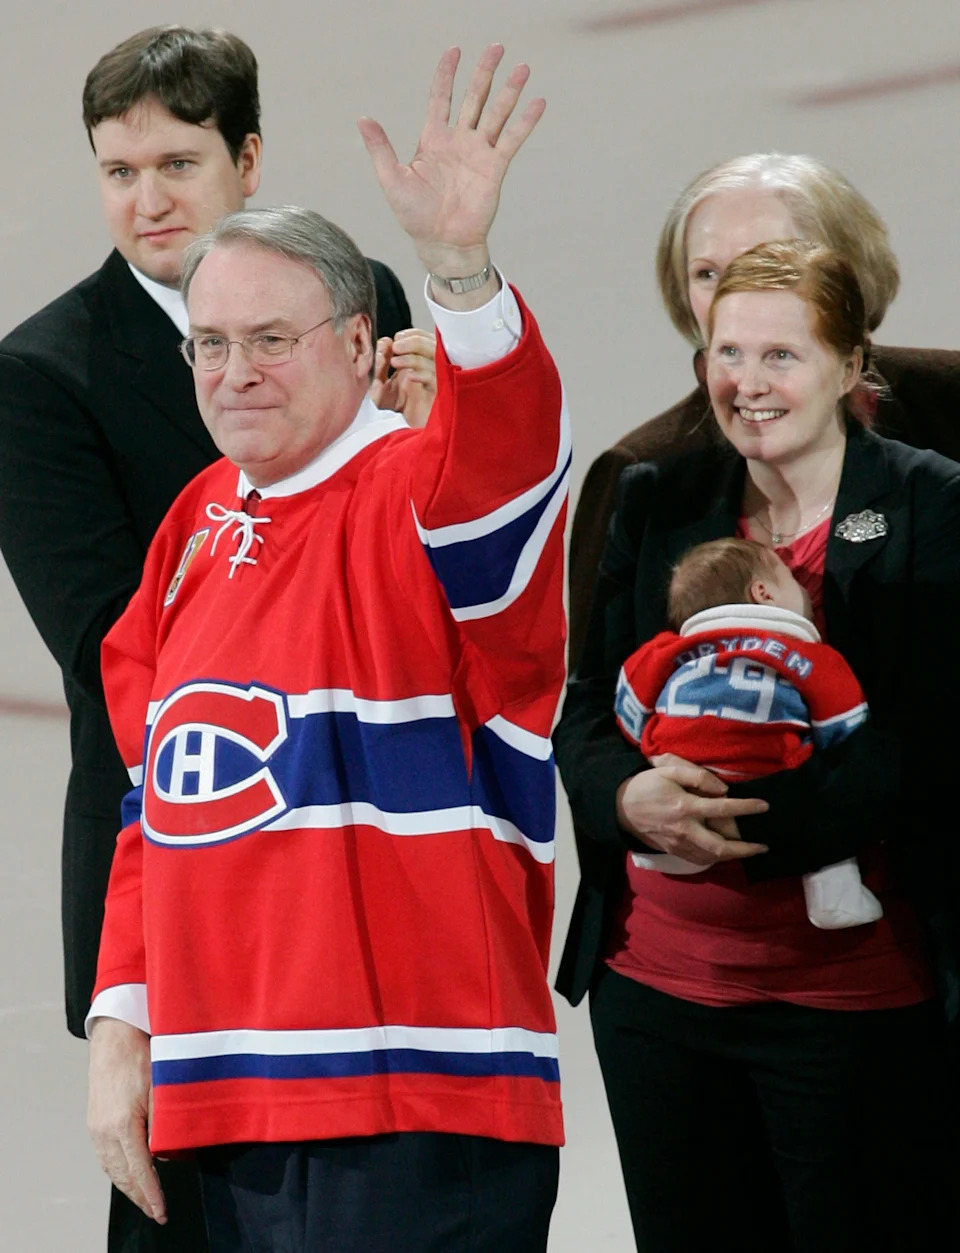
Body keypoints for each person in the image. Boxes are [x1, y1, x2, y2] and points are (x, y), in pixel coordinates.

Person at [86, 44, 566, 1253]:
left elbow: (503, 470)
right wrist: (121, 1033)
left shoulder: (415, 489)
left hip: (409, 1098)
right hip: (224, 1090)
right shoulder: (196, 524)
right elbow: (158, 804)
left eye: (272, 339)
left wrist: (459, 278)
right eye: (209, 343)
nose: (235, 373)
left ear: (361, 344)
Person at [0, 26, 416, 1249]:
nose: (148, 200)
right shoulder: (41, 373)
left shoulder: (362, 299)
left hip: (357, 842)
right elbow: (104, 644)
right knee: (187, 1216)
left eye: (177, 163)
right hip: (175, 848)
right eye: (119, 171)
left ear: (247, 158)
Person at [554, 239, 960, 1252]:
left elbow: (928, 743)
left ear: (849, 361)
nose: (747, 382)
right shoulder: (655, 494)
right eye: (726, 352)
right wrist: (628, 801)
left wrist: (730, 824)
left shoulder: (932, 503)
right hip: (656, 995)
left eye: (780, 355)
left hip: (852, 1002)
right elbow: (587, 709)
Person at [566, 153, 960, 668]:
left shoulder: (948, 407)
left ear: (845, 273)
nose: (740, 291)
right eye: (707, 273)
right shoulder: (642, 470)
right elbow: (592, 701)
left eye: (768, 260)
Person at [615, 536, 881, 930]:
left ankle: (667, 855)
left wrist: (647, 754)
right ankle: (832, 891)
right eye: (792, 582)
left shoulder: (666, 650)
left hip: (683, 772)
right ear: (764, 594)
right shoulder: (809, 655)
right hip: (777, 773)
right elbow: (844, 721)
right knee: (823, 819)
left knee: (671, 780)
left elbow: (629, 704)